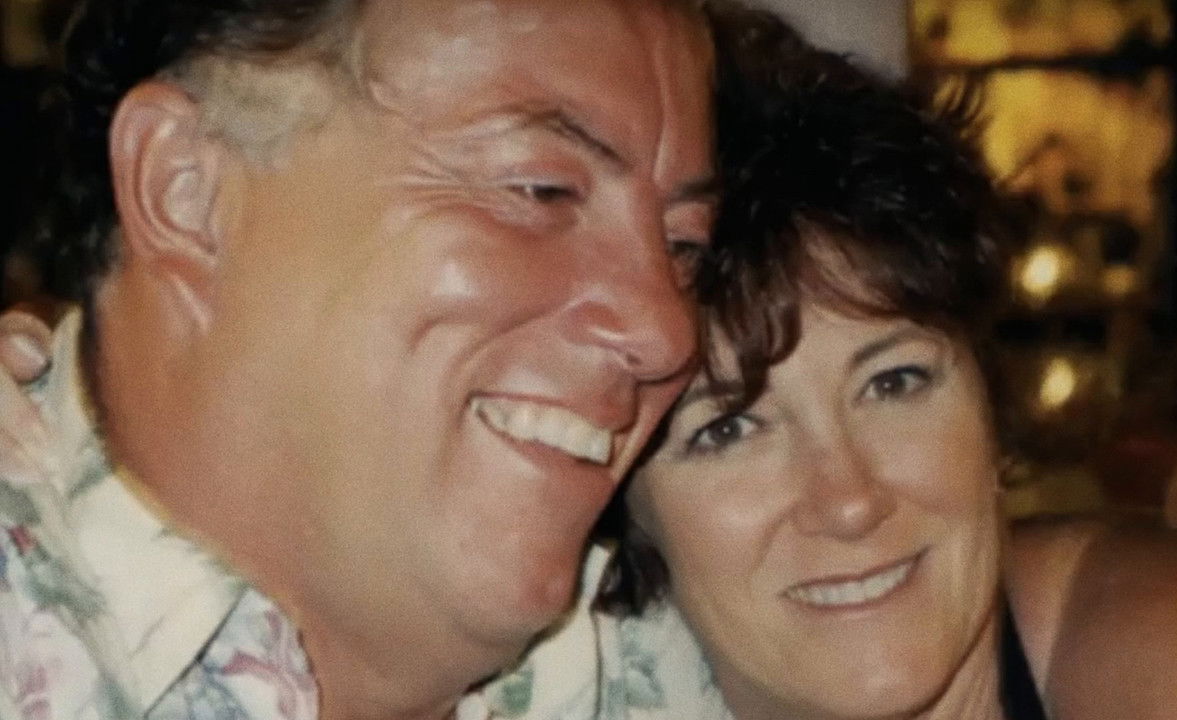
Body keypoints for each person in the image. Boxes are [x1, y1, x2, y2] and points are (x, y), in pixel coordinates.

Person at [0, 0, 716, 718]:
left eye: (685, 247)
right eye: (541, 190)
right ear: (184, 189)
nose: (666, 333)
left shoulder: (702, 651)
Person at [592, 7, 1177, 719]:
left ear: (988, 406)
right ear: (626, 514)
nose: (850, 502)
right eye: (729, 429)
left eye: (893, 381)